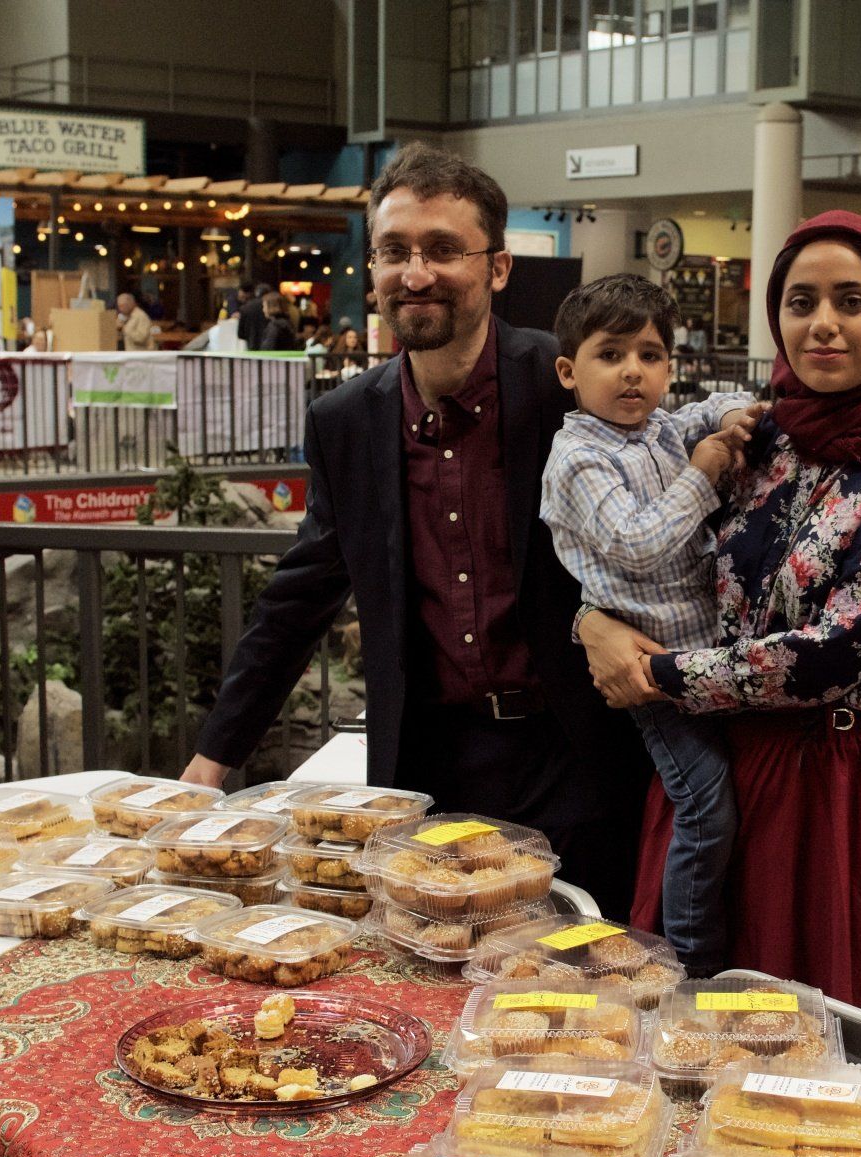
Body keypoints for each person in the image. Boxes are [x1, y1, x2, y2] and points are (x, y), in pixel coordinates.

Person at [183, 143, 648, 916]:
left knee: (584, 980)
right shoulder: (346, 423)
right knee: (436, 972)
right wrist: (212, 758)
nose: (416, 272)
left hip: (577, 754)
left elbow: (665, 520)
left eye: (442, 249)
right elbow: (300, 597)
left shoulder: (568, 385)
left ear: (497, 268)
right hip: (430, 771)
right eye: (394, 251)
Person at [576, 211, 861, 1035]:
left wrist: (655, 676)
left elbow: (841, 653)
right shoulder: (757, 438)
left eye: (851, 300)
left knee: (828, 1072)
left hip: (847, 792)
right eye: (801, 300)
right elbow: (648, 554)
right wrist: (592, 621)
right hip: (724, 782)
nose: (823, 324)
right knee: (688, 1051)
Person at [540, 275, 765, 975]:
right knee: (704, 811)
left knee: (726, 804)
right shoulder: (578, 458)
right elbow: (636, 542)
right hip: (655, 673)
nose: (633, 371)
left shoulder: (659, 426)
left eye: (651, 354)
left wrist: (741, 415)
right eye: (611, 355)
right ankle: (689, 963)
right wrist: (701, 475)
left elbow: (714, 408)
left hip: (708, 663)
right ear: (570, 371)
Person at [235, 281, 266, 350]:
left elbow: (240, 334)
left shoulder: (244, 308)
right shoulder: (268, 306)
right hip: (270, 348)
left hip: (252, 347)